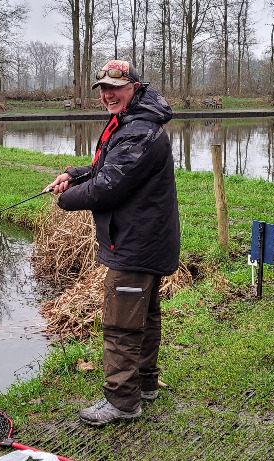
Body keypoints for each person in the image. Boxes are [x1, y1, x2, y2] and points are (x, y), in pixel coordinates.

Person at [44, 59, 180, 427]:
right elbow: (108, 167)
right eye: (103, 88)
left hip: (136, 244)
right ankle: (145, 385)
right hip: (146, 240)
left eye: (115, 88)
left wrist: (65, 199)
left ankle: (122, 401)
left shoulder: (139, 131)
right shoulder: (134, 121)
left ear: (134, 87)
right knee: (144, 316)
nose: (107, 95)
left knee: (121, 326)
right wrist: (74, 175)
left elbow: (107, 187)